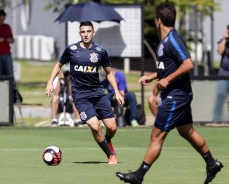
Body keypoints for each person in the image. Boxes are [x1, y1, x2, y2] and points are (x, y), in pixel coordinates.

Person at [116, 3, 223, 184]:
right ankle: (211, 163)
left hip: (176, 96)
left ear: (158, 21)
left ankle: (138, 176)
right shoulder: (165, 42)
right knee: (186, 131)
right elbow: (169, 67)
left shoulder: (173, 40)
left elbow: (188, 64)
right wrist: (152, 77)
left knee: (157, 135)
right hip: (178, 95)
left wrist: (167, 80)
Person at [45, 21, 124, 164]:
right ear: (80, 33)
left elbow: (109, 73)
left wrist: (117, 92)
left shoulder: (100, 51)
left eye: (88, 31)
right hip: (80, 95)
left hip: (98, 93)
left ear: (93, 33)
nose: (86, 34)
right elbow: (59, 65)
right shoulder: (72, 50)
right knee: (95, 126)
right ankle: (110, 155)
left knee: (112, 127)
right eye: (83, 32)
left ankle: (107, 140)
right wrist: (50, 81)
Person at [212, 25, 229, 122]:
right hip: (224, 72)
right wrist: (224, 38)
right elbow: (219, 51)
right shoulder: (224, 40)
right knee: (221, 95)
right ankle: (217, 118)